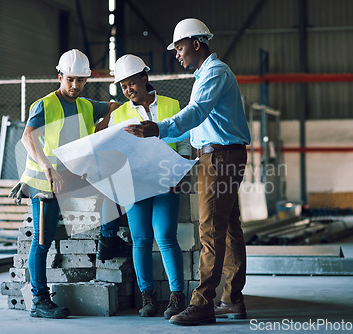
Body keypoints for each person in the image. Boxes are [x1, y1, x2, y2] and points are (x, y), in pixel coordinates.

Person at [124, 18, 251, 326]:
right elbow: (195, 124)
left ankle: (202, 302)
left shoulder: (214, 73)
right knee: (229, 229)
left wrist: (158, 128)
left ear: (197, 43)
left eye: (180, 48)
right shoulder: (205, 74)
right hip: (219, 156)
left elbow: (195, 114)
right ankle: (232, 300)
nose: (177, 55)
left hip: (219, 159)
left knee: (210, 231)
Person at [13, 49, 129, 319]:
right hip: (45, 184)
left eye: (81, 80)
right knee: (42, 243)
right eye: (70, 80)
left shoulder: (86, 105)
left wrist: (105, 121)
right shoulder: (44, 105)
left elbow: (113, 106)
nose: (75, 86)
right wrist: (46, 167)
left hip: (73, 179)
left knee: (114, 187)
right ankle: (40, 300)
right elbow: (27, 138)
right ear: (60, 76)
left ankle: (107, 241)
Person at [109, 54, 191, 319]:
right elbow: (113, 151)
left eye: (131, 83)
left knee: (166, 237)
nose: (128, 89)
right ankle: (148, 297)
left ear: (144, 78)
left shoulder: (172, 105)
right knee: (141, 240)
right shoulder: (119, 114)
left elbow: (184, 142)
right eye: (123, 86)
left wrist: (181, 173)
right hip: (135, 185)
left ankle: (177, 296)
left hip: (167, 183)